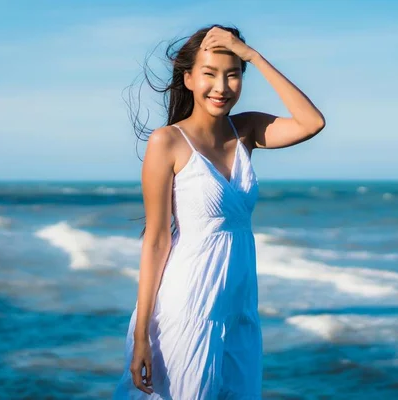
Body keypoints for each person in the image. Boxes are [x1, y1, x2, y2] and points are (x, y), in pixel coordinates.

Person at [114, 24, 325, 399]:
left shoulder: (246, 131)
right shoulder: (167, 142)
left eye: (233, 75)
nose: (222, 87)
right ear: (189, 78)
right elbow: (157, 241)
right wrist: (143, 331)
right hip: (189, 305)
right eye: (209, 74)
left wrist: (253, 56)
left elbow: (312, 123)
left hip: (239, 309)